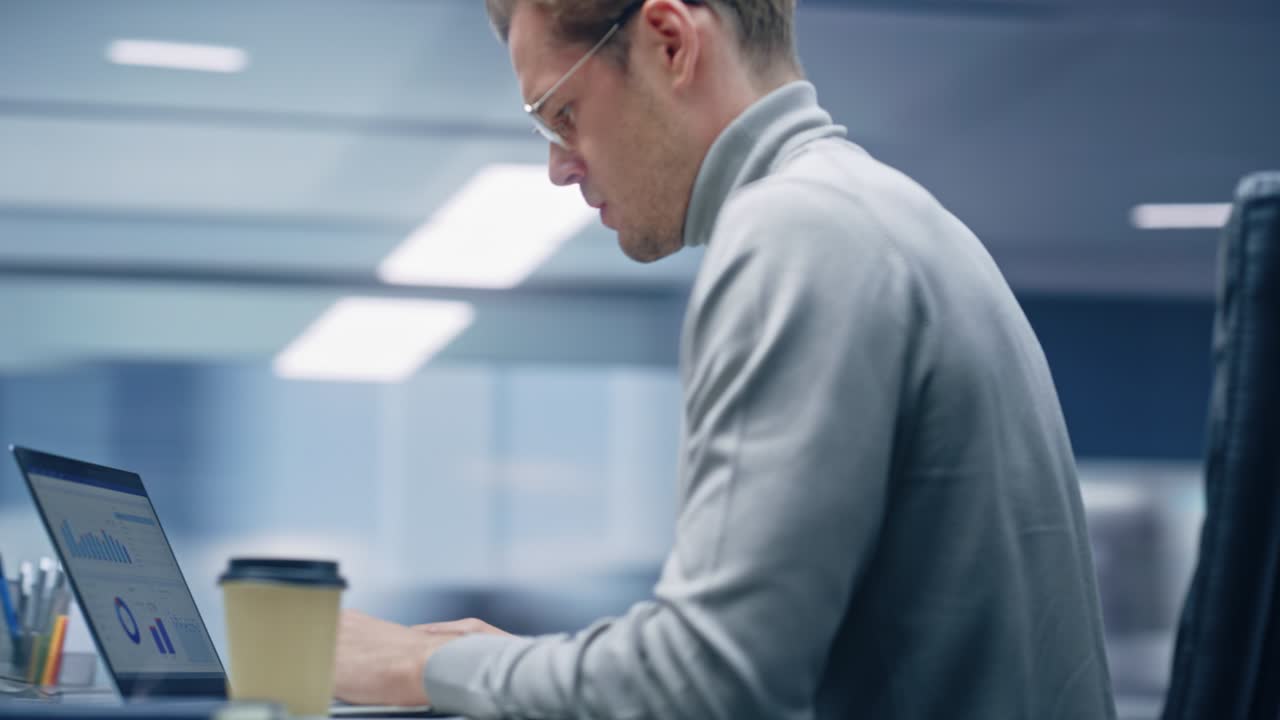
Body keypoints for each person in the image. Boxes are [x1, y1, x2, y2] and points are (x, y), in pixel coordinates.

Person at [332, 1, 1118, 717]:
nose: (559, 166)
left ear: (670, 44)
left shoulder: (799, 234)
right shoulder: (894, 216)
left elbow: (709, 687)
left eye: (561, 114)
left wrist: (426, 665)